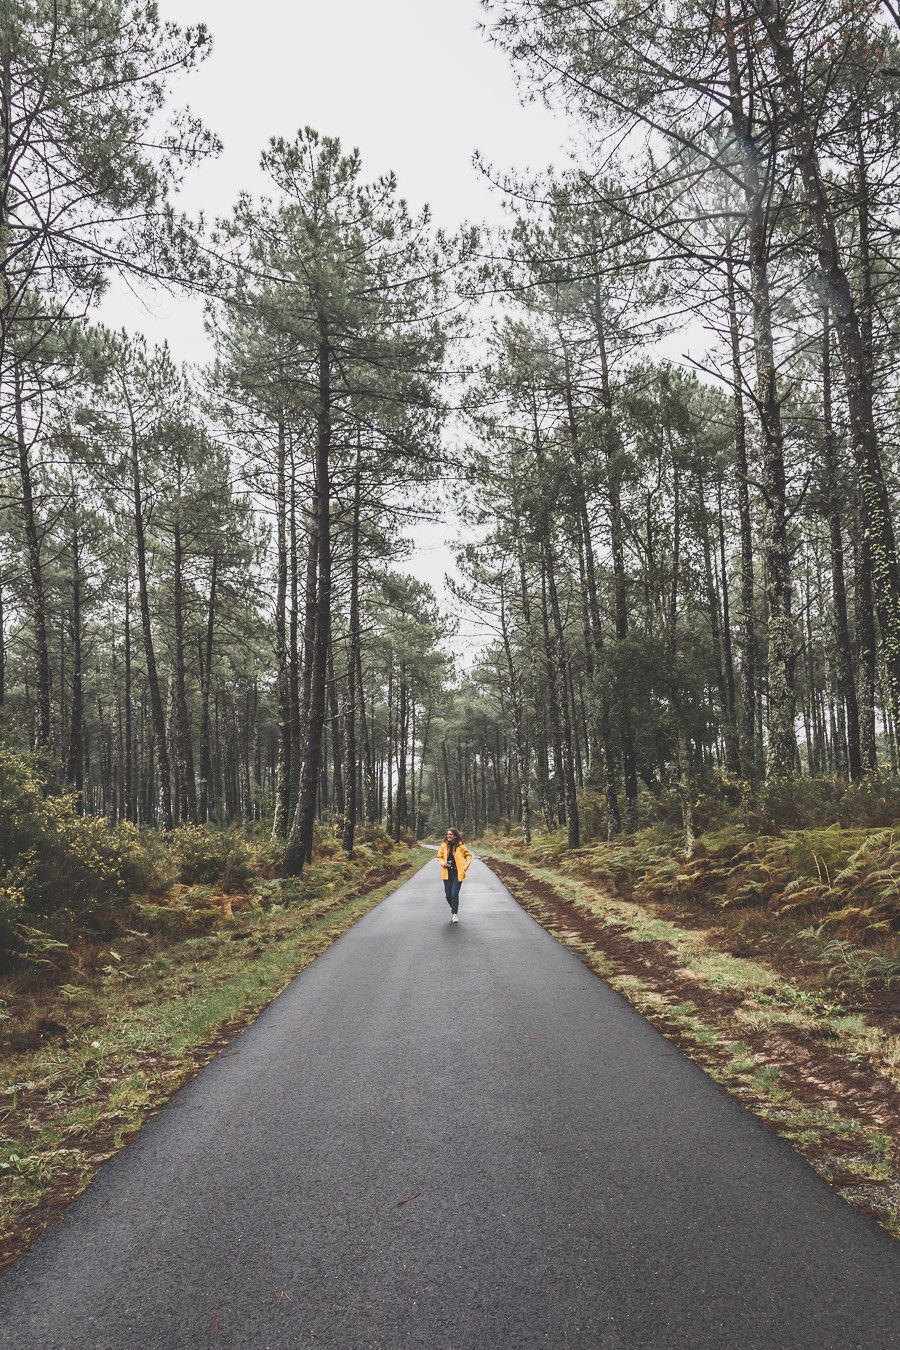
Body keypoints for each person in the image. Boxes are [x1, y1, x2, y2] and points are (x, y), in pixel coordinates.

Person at [436, 827, 472, 924]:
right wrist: (444, 863)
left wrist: (465, 868)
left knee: (454, 894)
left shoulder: (461, 846)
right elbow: (439, 857)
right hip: (447, 874)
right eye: (447, 834)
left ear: (455, 836)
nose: (449, 836)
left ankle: (454, 914)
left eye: (451, 834)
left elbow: (469, 856)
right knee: (448, 896)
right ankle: (453, 907)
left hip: (457, 874)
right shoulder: (443, 846)